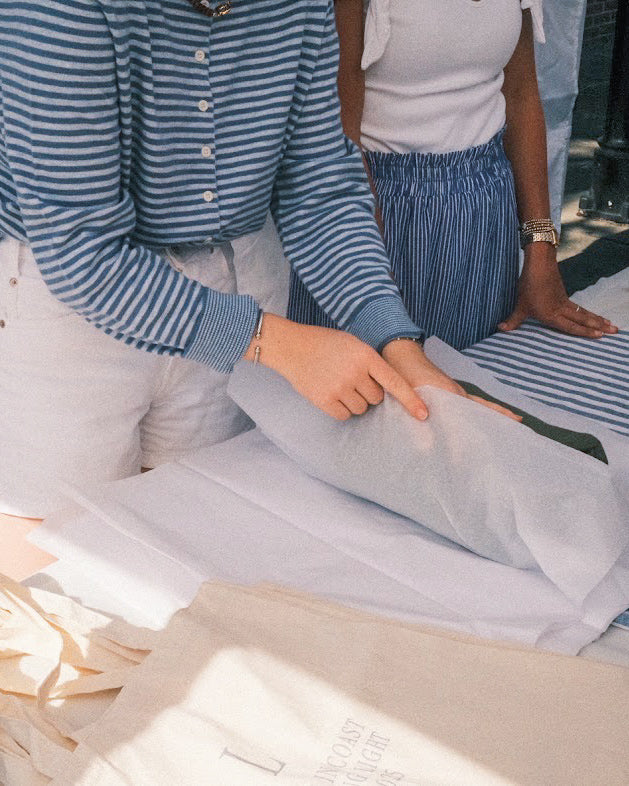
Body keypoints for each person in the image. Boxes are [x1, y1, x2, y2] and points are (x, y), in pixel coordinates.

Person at [0, 0, 517, 527]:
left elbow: (319, 189)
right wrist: (275, 343)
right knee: (55, 545)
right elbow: (83, 252)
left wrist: (397, 345)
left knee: (197, 529)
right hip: (71, 310)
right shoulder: (58, 11)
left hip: (235, 278)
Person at [289, 0, 618, 350]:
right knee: (376, 375)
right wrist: (363, 265)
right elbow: (336, 127)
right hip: (378, 213)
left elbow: (521, 93)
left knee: (475, 374)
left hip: (487, 218)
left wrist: (540, 248)